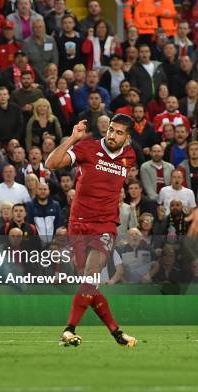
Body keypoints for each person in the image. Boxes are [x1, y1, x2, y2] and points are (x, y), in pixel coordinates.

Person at [45, 114, 138, 347]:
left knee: (91, 275)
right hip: (78, 223)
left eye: (119, 133)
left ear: (127, 137)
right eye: (111, 130)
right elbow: (51, 164)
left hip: (105, 225)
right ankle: (117, 333)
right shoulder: (87, 147)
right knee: (89, 285)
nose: (113, 135)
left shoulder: (130, 156)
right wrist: (72, 139)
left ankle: (69, 329)